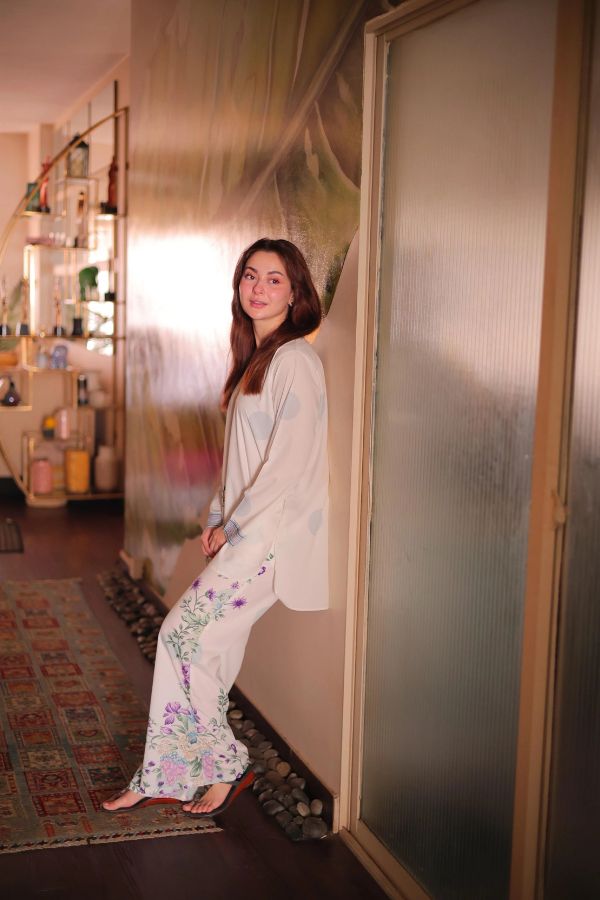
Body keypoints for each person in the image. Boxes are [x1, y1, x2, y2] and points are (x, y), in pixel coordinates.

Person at [103, 237, 329, 817]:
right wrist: (216, 519)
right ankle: (173, 772)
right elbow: (241, 459)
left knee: (180, 638)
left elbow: (287, 463)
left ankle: (226, 763)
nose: (258, 287)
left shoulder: (295, 361)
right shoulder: (257, 358)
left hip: (269, 541)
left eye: (274, 279)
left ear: (296, 292)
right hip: (245, 533)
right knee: (210, 652)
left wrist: (235, 527)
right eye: (250, 275)